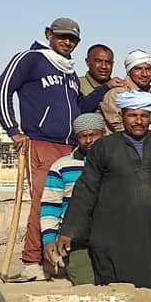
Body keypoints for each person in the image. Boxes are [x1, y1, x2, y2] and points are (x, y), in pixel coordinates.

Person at [0, 17, 111, 281]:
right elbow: (0, 90)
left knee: (71, 200)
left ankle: (59, 259)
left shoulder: (69, 71)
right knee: (43, 200)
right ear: (49, 34)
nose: (67, 42)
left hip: (71, 144)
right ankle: (32, 261)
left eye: (73, 39)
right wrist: (13, 130)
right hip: (41, 141)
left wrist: (103, 89)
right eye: (62, 36)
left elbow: (78, 109)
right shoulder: (31, 59)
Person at [57, 91, 151, 290]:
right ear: (121, 115)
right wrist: (69, 230)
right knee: (116, 289)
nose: (138, 121)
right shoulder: (103, 147)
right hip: (113, 233)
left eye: (144, 115)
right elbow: (86, 189)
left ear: (150, 117)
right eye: (132, 115)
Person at [40, 113, 105, 285]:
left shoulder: (115, 162)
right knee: (86, 283)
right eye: (83, 136)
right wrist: (49, 239)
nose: (89, 140)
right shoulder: (62, 166)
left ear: (103, 134)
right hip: (76, 238)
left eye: (93, 135)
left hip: (109, 235)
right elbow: (50, 205)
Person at [100, 49, 151, 134]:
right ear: (129, 72)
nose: (144, 74)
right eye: (138, 69)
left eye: (148, 69)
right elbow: (120, 127)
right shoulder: (117, 94)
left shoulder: (150, 92)